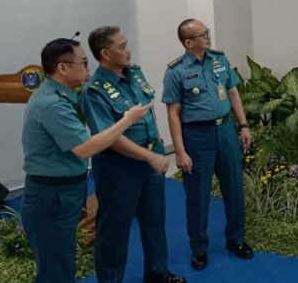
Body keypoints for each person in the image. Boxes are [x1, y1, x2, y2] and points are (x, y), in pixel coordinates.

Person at [21, 37, 150, 283]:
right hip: (51, 197)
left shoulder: (61, 95)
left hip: (63, 192)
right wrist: (127, 119)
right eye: (83, 62)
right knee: (56, 270)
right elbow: (86, 148)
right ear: (62, 68)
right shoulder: (52, 105)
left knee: (61, 262)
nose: (88, 67)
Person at [79, 26, 185, 283]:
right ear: (105, 53)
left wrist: (157, 141)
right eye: (122, 46)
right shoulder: (94, 91)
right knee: (114, 230)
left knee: (154, 221)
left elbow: (147, 109)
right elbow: (110, 139)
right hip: (119, 169)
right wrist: (149, 157)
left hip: (150, 160)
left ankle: (157, 273)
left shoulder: (135, 72)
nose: (128, 50)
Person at [162, 19, 253, 271]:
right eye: (203, 34)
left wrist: (243, 125)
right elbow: (172, 113)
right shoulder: (176, 71)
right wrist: (179, 151)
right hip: (196, 137)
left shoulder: (219, 60)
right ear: (188, 42)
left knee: (234, 189)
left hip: (224, 131)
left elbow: (232, 92)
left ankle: (236, 240)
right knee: (198, 196)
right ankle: (199, 248)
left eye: (207, 33)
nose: (209, 37)